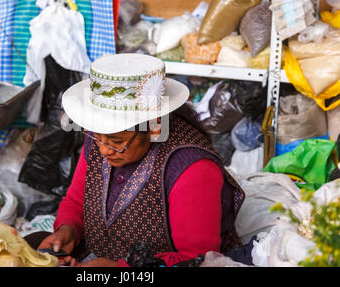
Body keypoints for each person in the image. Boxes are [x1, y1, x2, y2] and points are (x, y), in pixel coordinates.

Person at [30, 53, 245, 267]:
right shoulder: (99, 139)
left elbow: (196, 258)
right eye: (96, 136)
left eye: (116, 141)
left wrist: (118, 269)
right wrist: (68, 229)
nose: (104, 150)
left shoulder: (193, 168)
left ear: (154, 127)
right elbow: (77, 200)